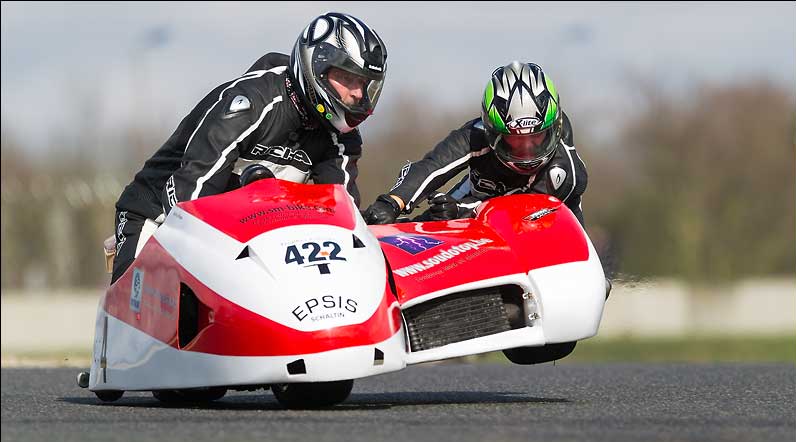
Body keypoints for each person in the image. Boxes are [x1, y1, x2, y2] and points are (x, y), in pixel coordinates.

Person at [110, 12, 387, 283]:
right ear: (318, 68)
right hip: (158, 214)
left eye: (363, 84)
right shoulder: (251, 103)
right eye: (348, 79)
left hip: (248, 229)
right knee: (140, 312)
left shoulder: (341, 135)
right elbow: (188, 202)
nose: (357, 94)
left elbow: (343, 220)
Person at [362, 61, 588, 227]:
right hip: (475, 196)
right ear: (491, 131)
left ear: (554, 129)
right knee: (432, 221)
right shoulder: (475, 134)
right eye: (514, 141)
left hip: (546, 224)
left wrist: (462, 211)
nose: (527, 151)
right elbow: (432, 167)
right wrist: (391, 203)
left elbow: (526, 211)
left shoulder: (566, 170)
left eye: (536, 139)